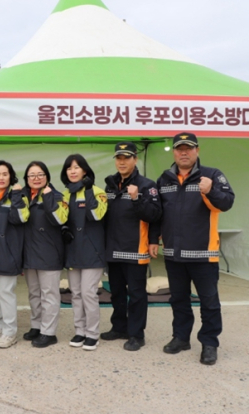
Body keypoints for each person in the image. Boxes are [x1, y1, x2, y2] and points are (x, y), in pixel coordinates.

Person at [150, 132, 234, 365]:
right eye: (179, 149)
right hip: (174, 254)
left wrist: (211, 190)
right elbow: (157, 213)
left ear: (197, 150)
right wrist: (153, 239)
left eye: (188, 148)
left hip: (203, 254)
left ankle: (209, 343)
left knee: (209, 302)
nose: (184, 152)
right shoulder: (164, 179)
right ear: (174, 152)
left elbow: (227, 202)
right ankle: (181, 337)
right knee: (178, 299)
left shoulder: (212, 175)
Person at [101, 142, 162, 351]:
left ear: (135, 159)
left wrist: (136, 199)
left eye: (126, 158)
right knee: (116, 292)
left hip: (136, 249)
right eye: (119, 158)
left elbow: (154, 215)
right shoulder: (110, 184)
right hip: (113, 248)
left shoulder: (147, 185)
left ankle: (136, 334)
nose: (122, 162)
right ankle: (119, 327)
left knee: (136, 294)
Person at [61, 154, 107, 351]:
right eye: (69, 168)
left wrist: (87, 190)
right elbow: (61, 218)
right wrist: (64, 229)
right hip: (73, 250)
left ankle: (92, 334)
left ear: (85, 170)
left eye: (76, 167)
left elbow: (96, 215)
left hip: (92, 251)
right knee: (76, 294)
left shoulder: (97, 192)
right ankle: (80, 331)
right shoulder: (65, 194)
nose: (72, 171)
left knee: (89, 293)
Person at [0, 160, 29, 349]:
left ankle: (10, 332)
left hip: (9, 252)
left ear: (11, 177)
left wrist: (16, 195)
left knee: (6, 293)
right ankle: (1, 327)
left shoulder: (19, 196)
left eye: (5, 174)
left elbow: (21, 218)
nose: (1, 177)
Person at [21, 161, 68, 348]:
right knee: (34, 293)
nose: (36, 178)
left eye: (40, 174)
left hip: (49, 252)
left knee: (49, 294)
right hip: (29, 253)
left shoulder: (57, 196)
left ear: (47, 176)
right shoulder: (23, 196)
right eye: (31, 175)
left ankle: (49, 332)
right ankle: (36, 326)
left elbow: (59, 219)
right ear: (26, 178)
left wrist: (48, 198)